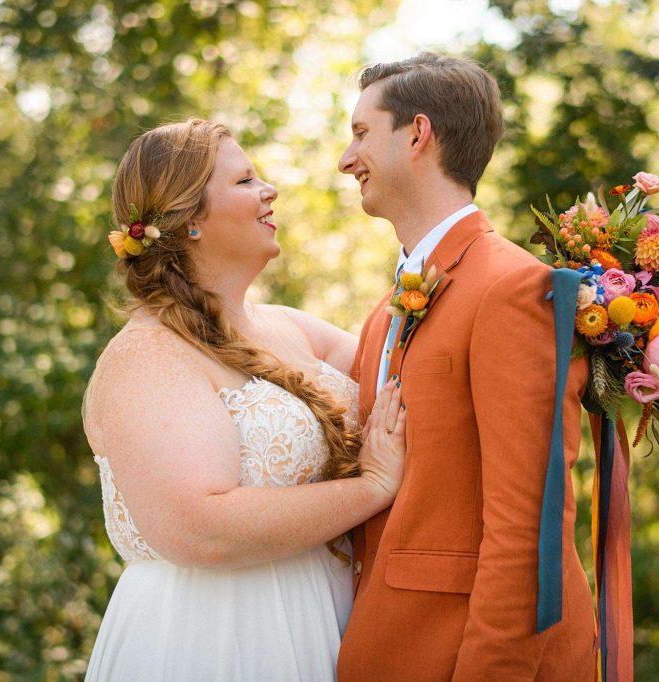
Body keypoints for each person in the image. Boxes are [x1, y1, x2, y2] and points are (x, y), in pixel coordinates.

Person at [81, 118, 406, 681]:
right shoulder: (146, 356)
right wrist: (372, 487)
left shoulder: (288, 326)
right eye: (245, 181)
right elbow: (200, 529)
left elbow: (410, 372)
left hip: (324, 615)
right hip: (216, 637)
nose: (269, 190)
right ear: (190, 219)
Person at [335, 52, 596, 680]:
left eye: (361, 133)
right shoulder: (382, 314)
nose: (346, 159)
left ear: (417, 134)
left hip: (465, 656)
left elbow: (527, 530)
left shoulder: (513, 289)